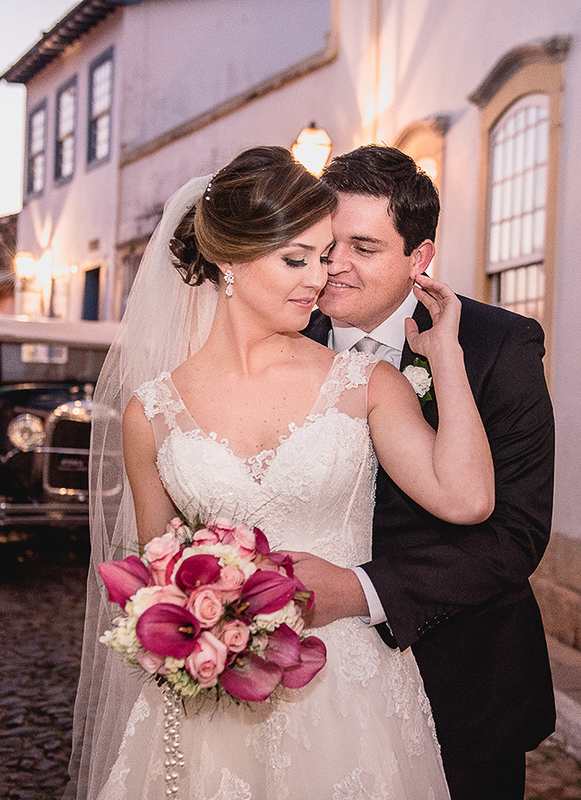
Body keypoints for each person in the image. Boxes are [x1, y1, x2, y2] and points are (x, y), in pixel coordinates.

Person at [68, 145, 494, 799]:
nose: (319, 278)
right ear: (231, 260)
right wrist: (199, 632)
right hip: (211, 711)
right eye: (298, 257)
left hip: (348, 696)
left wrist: (448, 357)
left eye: (323, 257)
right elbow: (150, 578)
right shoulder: (150, 412)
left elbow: (467, 500)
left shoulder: (366, 383)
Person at [294, 144, 557, 800]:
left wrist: (360, 591)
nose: (335, 266)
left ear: (420, 258)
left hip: (461, 687)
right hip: (305, 687)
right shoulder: (281, 339)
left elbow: (514, 536)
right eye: (328, 244)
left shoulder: (497, 347)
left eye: (364, 246)